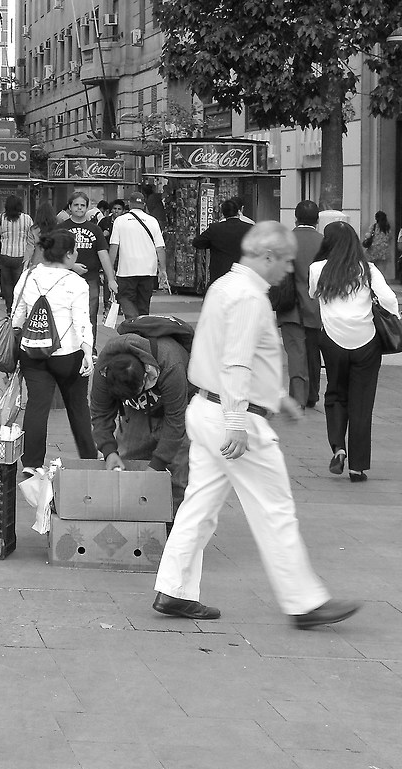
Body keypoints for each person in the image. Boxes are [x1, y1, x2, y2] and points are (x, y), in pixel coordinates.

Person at [152, 221, 360, 629]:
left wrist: (275, 397)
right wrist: (236, 421)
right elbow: (236, 361)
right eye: (284, 261)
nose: (287, 270)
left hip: (208, 407)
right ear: (267, 256)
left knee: (199, 507)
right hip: (235, 416)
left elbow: (231, 355)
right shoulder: (249, 297)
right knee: (275, 509)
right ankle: (303, 601)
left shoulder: (225, 287)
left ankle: (173, 590)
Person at [309, 221, 399, 483]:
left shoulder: (317, 269)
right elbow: (390, 300)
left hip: (333, 341)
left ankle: (338, 447)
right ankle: (358, 467)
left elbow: (313, 294)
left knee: (336, 394)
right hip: (366, 342)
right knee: (362, 403)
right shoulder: (367, 269)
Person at [11, 230, 96, 473]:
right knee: (78, 405)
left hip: (32, 352)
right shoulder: (76, 283)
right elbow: (82, 321)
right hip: (68, 354)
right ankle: (89, 458)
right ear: (68, 255)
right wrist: (87, 352)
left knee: (37, 405)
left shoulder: (28, 276)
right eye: (75, 250)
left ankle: (32, 464)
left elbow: (17, 317)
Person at [91, 328, 191, 510]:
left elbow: (176, 421)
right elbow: (100, 412)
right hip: (137, 412)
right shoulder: (104, 368)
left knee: (177, 474)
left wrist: (157, 465)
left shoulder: (170, 363)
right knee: (127, 462)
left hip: (178, 405)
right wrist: (109, 451)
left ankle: (173, 527)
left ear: (146, 375)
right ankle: (132, 520)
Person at [279, 201, 323, 407]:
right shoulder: (324, 242)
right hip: (317, 306)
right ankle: (313, 393)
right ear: (317, 219)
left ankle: (298, 397)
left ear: (295, 218)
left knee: (296, 352)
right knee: (314, 353)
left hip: (290, 306)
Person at [62, 191, 116, 337]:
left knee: (90, 314)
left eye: (82, 205)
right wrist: (72, 266)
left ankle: (90, 348)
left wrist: (111, 280)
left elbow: (104, 255)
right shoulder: (62, 228)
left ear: (87, 207)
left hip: (91, 279)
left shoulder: (95, 229)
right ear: (70, 207)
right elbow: (54, 254)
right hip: (66, 279)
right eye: (76, 205)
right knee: (66, 315)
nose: (79, 208)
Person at [108, 189, 166, 319]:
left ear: (129, 204)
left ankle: (132, 325)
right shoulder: (152, 221)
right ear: (144, 205)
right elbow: (160, 248)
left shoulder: (120, 221)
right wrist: (163, 269)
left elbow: (114, 247)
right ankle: (142, 330)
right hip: (148, 271)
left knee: (126, 300)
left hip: (126, 271)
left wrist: (109, 268)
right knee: (144, 306)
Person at [192, 198, 253, 286]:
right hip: (242, 273)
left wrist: (212, 243)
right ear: (238, 211)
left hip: (220, 275)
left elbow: (197, 242)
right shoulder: (249, 228)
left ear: (223, 213)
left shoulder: (215, 228)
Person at [0, 195, 34, 311]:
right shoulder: (27, 219)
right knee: (19, 283)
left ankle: (9, 308)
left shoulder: (1, 218)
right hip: (20, 256)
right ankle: (18, 308)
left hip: (4, 254)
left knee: (6, 283)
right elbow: (31, 235)